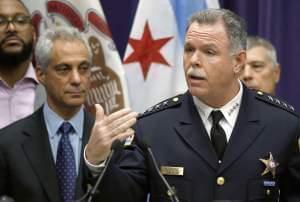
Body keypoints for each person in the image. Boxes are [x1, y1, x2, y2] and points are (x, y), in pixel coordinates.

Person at [85, 8, 300, 201]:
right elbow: (123, 196)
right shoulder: (152, 127)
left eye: (209, 52)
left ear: (238, 62)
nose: (194, 60)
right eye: (189, 49)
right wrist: (96, 159)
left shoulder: (283, 125)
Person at [0, 26, 137, 202]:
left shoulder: (116, 141)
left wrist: (97, 165)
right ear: (40, 74)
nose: (77, 79)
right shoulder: (8, 143)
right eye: (64, 69)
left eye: (84, 68)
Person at [0, 0, 45, 129]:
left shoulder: (54, 88)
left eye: (20, 20)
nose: (11, 28)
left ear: (34, 34)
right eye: (1, 22)